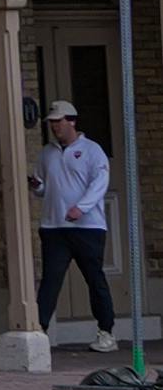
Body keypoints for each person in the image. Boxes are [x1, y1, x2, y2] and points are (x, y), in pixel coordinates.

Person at [37, 102, 119, 343]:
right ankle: (39, 331)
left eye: (59, 121)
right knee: (50, 280)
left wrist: (81, 208)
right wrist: (36, 186)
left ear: (72, 121)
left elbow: (99, 183)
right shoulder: (47, 153)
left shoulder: (92, 150)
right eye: (52, 122)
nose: (55, 127)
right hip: (54, 227)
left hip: (88, 228)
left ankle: (106, 331)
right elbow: (43, 188)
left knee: (94, 279)